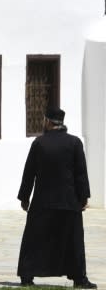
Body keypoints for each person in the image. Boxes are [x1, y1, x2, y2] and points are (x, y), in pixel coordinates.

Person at [16, 107, 97, 289]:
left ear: (47, 121)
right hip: (69, 201)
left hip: (42, 201)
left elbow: (29, 172)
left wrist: (24, 197)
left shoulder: (39, 143)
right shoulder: (75, 143)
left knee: (34, 239)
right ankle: (79, 278)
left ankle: (27, 276)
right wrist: (83, 197)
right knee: (73, 241)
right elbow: (80, 174)